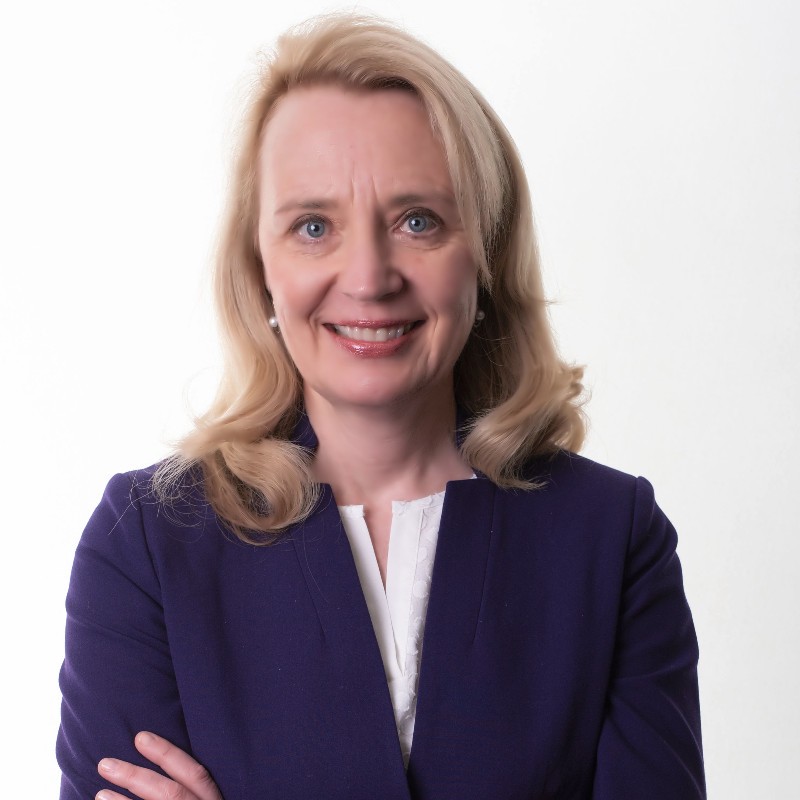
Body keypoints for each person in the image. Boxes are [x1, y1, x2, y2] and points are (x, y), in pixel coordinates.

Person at [56, 13, 705, 800]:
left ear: (486, 253)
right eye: (313, 226)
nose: (368, 278)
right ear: (258, 267)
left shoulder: (611, 538)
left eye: (417, 220)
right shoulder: (147, 545)